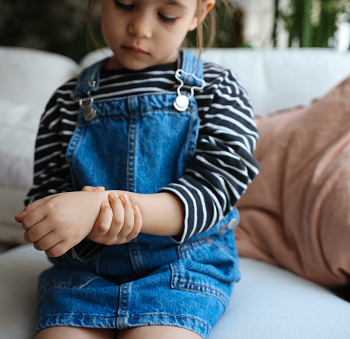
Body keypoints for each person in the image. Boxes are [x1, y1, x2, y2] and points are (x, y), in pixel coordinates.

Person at [15, 0, 259, 338]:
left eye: (166, 15)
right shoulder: (65, 103)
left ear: (199, 14)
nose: (140, 28)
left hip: (181, 272)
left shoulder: (218, 90)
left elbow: (212, 194)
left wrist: (101, 208)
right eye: (125, 4)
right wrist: (69, 226)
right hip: (84, 277)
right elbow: (47, 197)